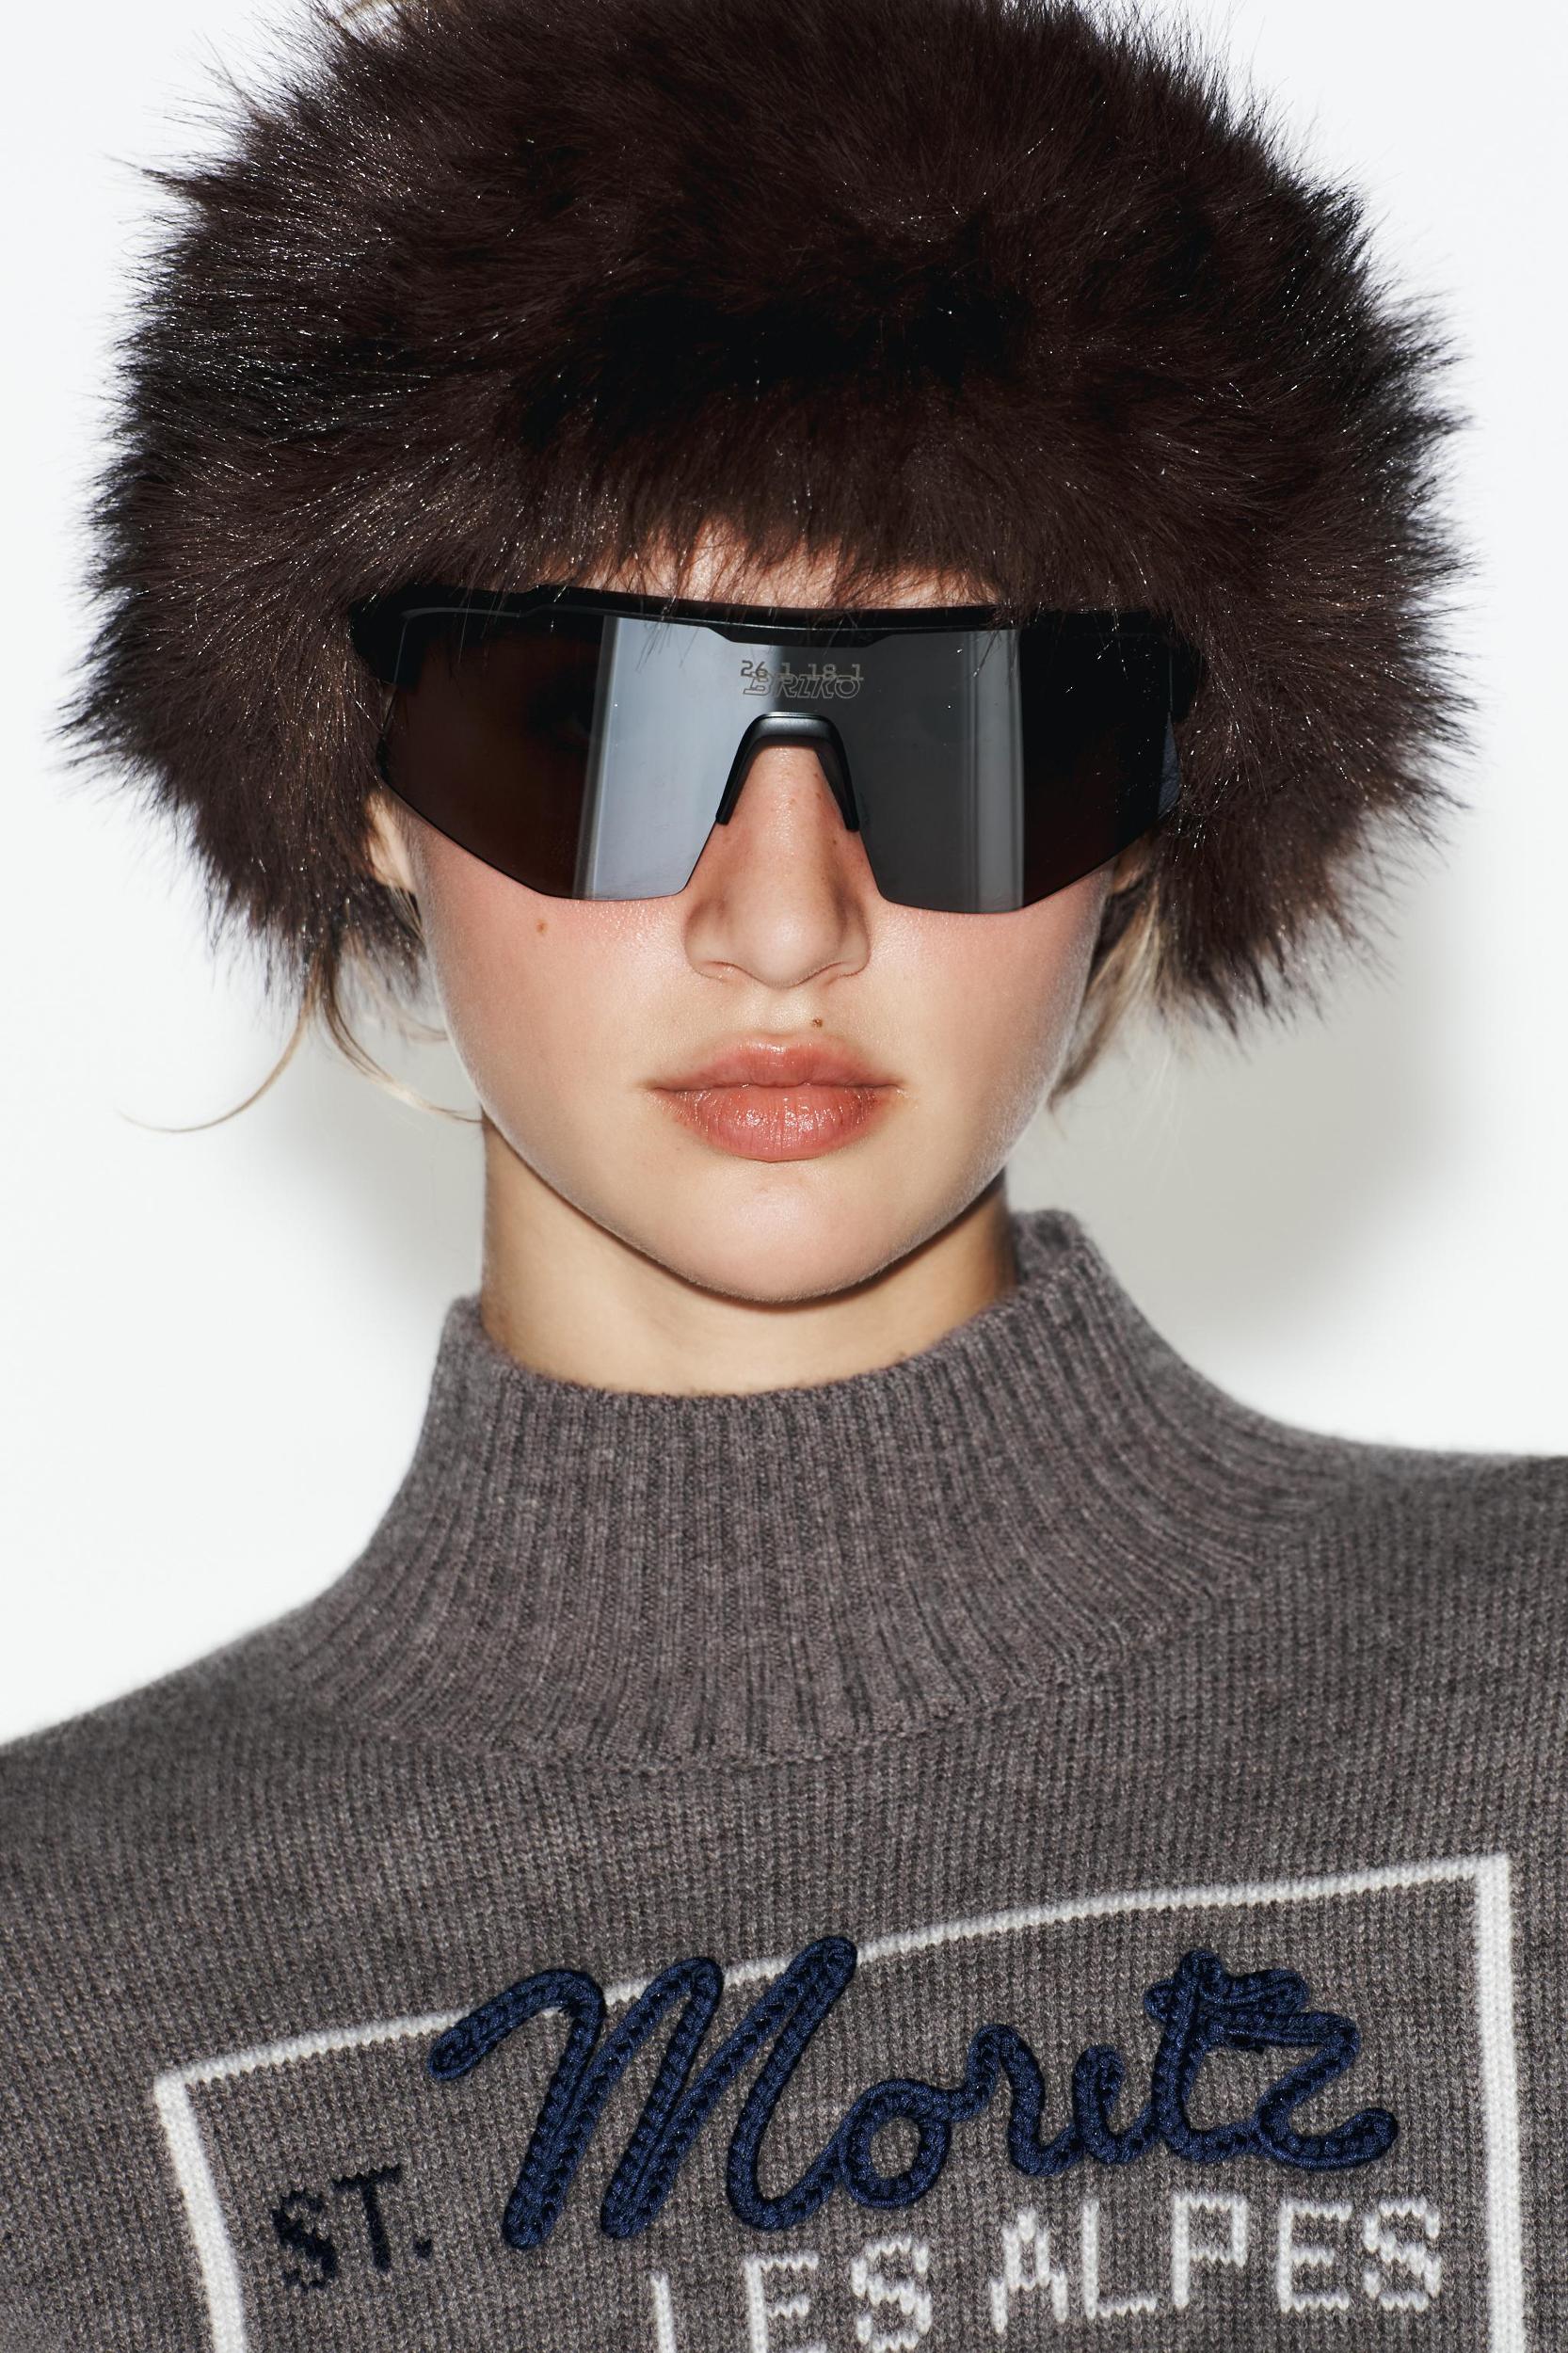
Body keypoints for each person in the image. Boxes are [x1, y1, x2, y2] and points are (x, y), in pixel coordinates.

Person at [2, 0, 1563, 2345]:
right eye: (601, 727)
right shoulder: (55, 1971)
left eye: (959, 732)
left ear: (1152, 811)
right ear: (362, 785)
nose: (781, 916)